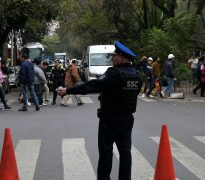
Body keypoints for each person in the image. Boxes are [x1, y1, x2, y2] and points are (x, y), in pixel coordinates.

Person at [58, 41, 142, 180]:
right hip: (127, 118)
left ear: (121, 57)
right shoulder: (136, 75)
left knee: (106, 152)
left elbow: (93, 85)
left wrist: (68, 90)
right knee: (125, 152)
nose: (112, 58)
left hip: (109, 119)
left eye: (114, 56)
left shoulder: (114, 73)